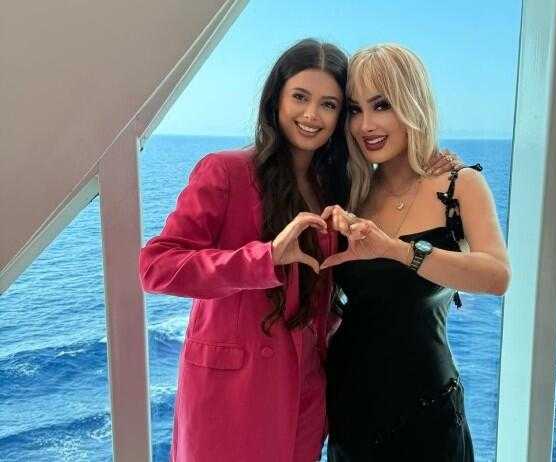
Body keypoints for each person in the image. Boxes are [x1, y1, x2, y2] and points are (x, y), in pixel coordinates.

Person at [139, 38, 457, 462]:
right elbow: (156, 267)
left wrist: (434, 166)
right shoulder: (226, 171)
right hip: (233, 392)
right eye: (300, 97)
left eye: (329, 104)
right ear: (276, 100)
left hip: (305, 389)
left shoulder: (339, 185)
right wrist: (264, 258)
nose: (311, 115)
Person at [321, 44, 511, 461]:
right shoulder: (350, 191)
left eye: (382, 105)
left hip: (428, 414)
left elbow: (497, 276)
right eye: (354, 109)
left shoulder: (459, 185)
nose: (366, 124)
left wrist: (397, 250)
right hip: (351, 415)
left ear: (412, 103)